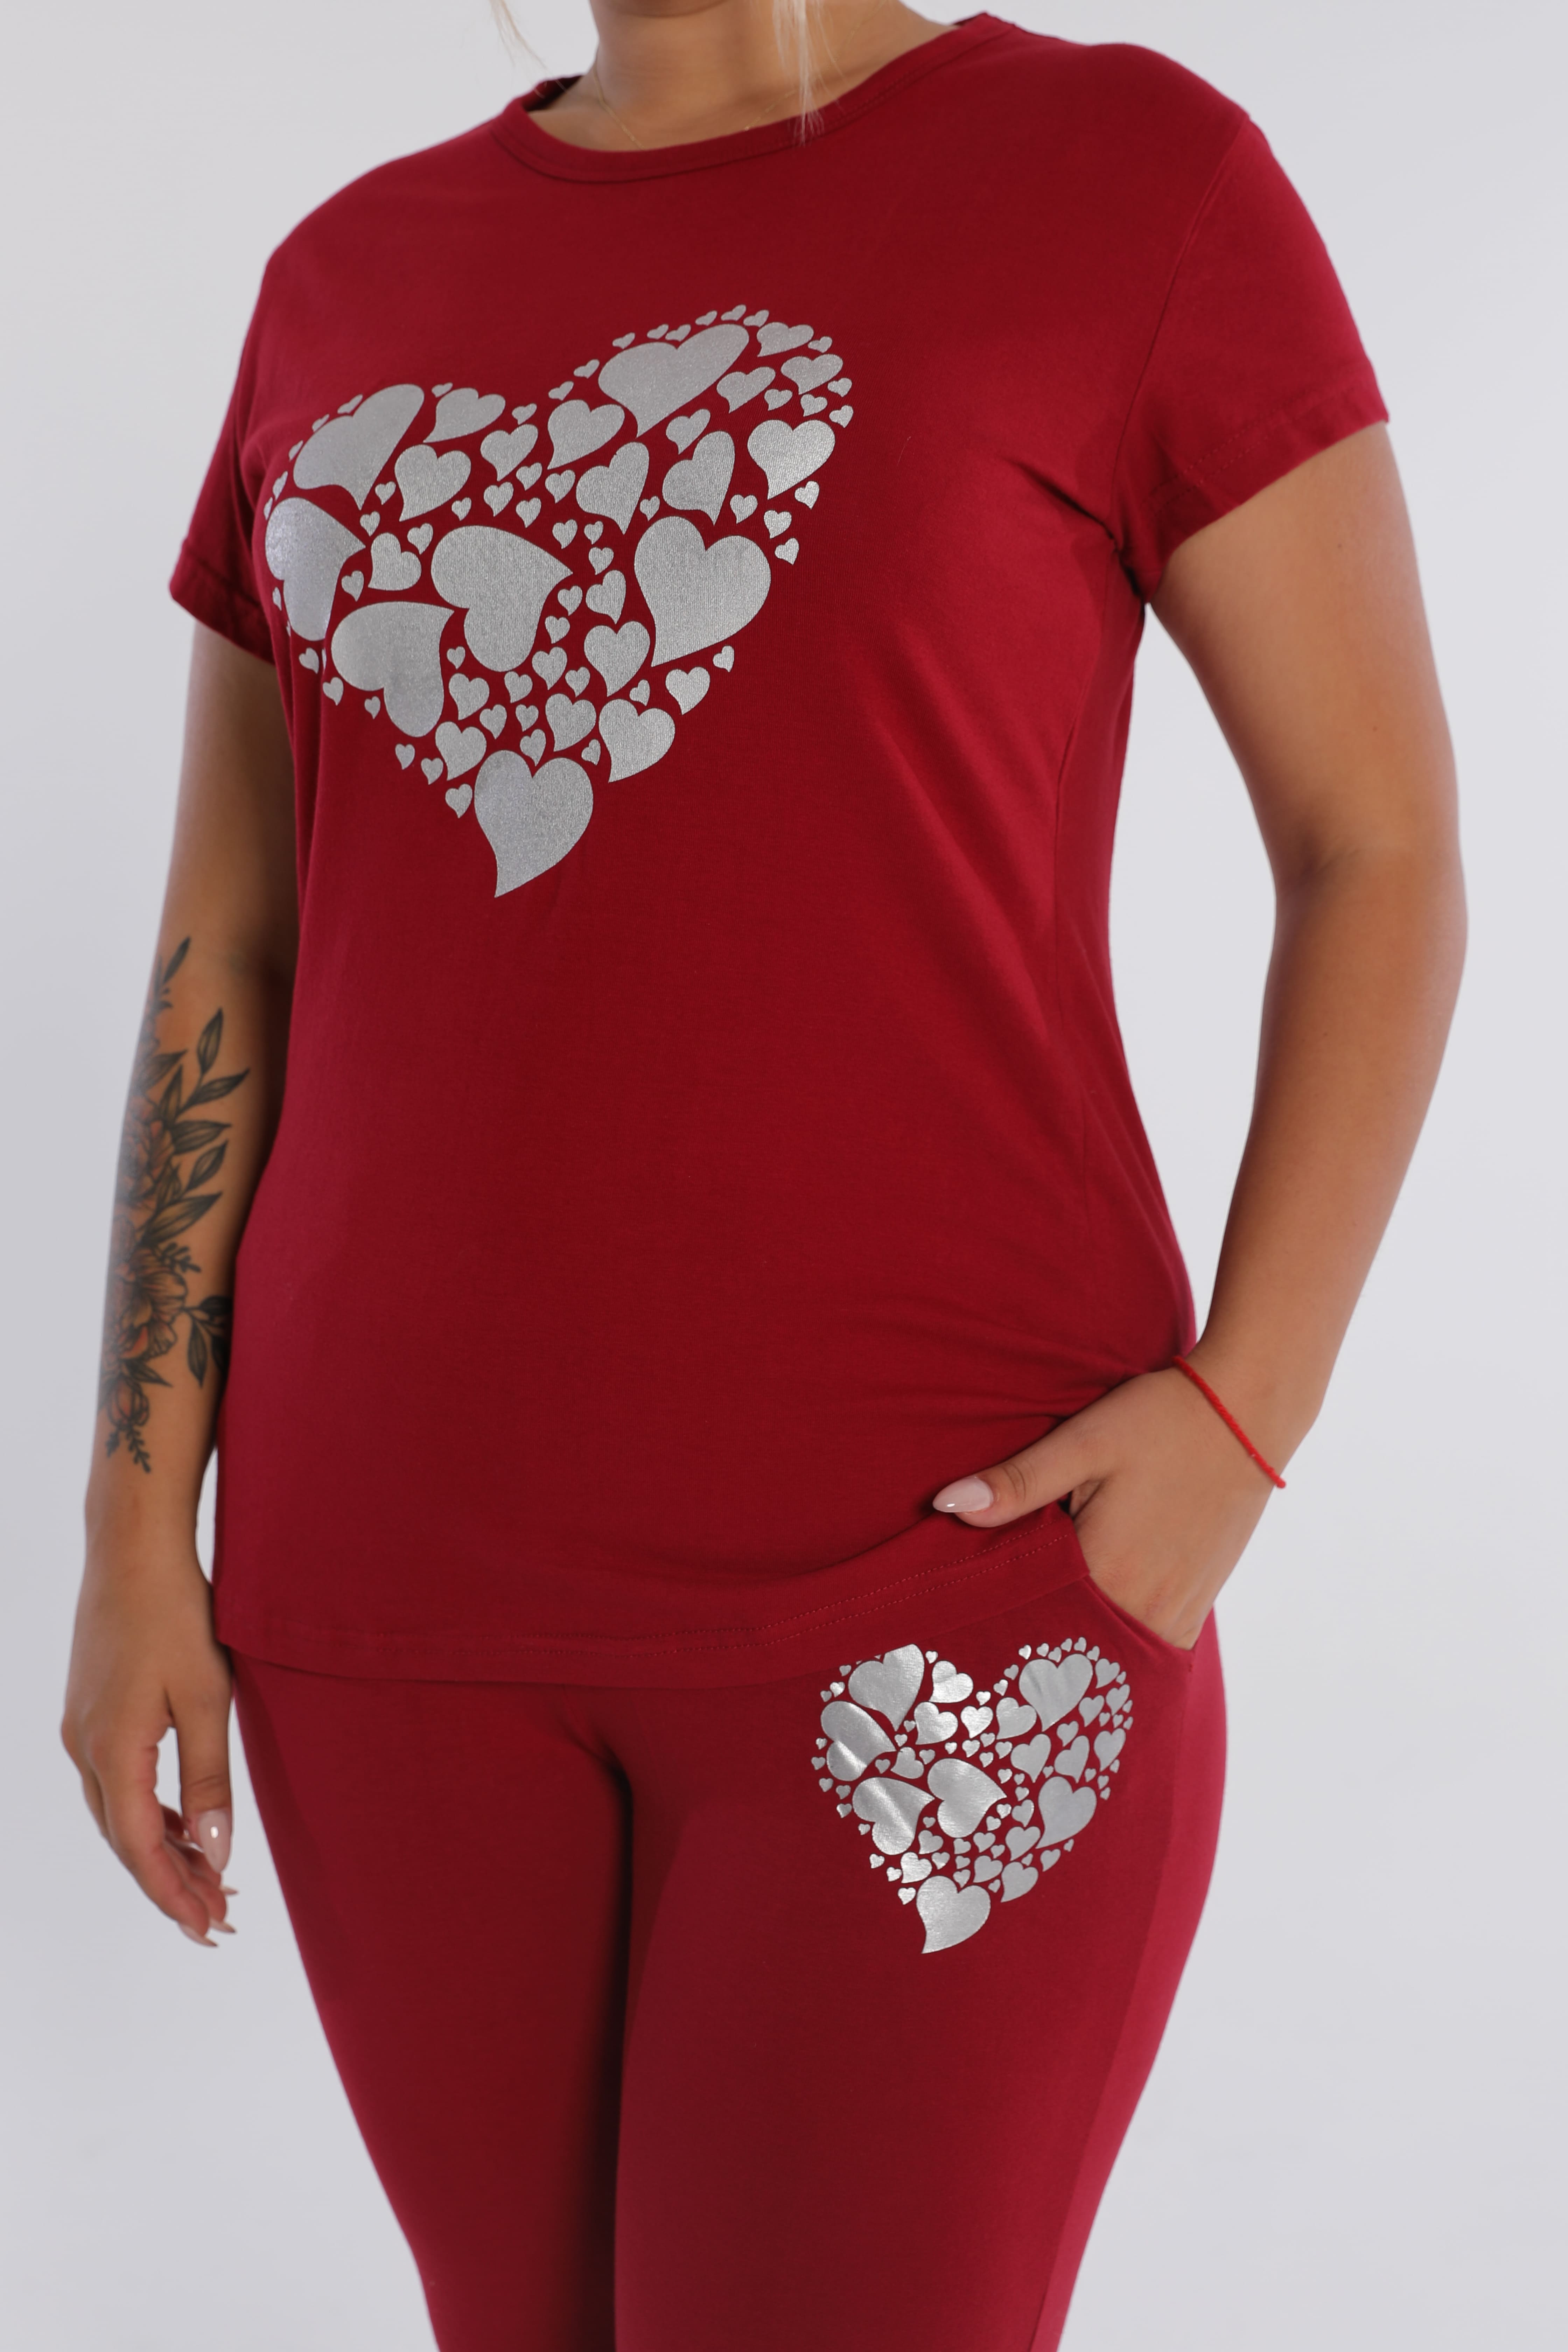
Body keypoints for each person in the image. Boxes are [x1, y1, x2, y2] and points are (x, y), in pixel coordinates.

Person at [61, 3, 1464, 2346]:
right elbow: (238, 935)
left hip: (949, 1589)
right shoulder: (341, 278)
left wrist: (1249, 1412)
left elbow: (1379, 842)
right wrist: (133, 1533)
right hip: (383, 1614)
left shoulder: (1131, 177)